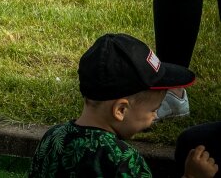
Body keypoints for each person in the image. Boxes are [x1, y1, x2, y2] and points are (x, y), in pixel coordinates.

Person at [27, 33, 216, 178]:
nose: (156, 116)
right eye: (153, 109)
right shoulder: (123, 160)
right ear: (120, 110)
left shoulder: (52, 137)